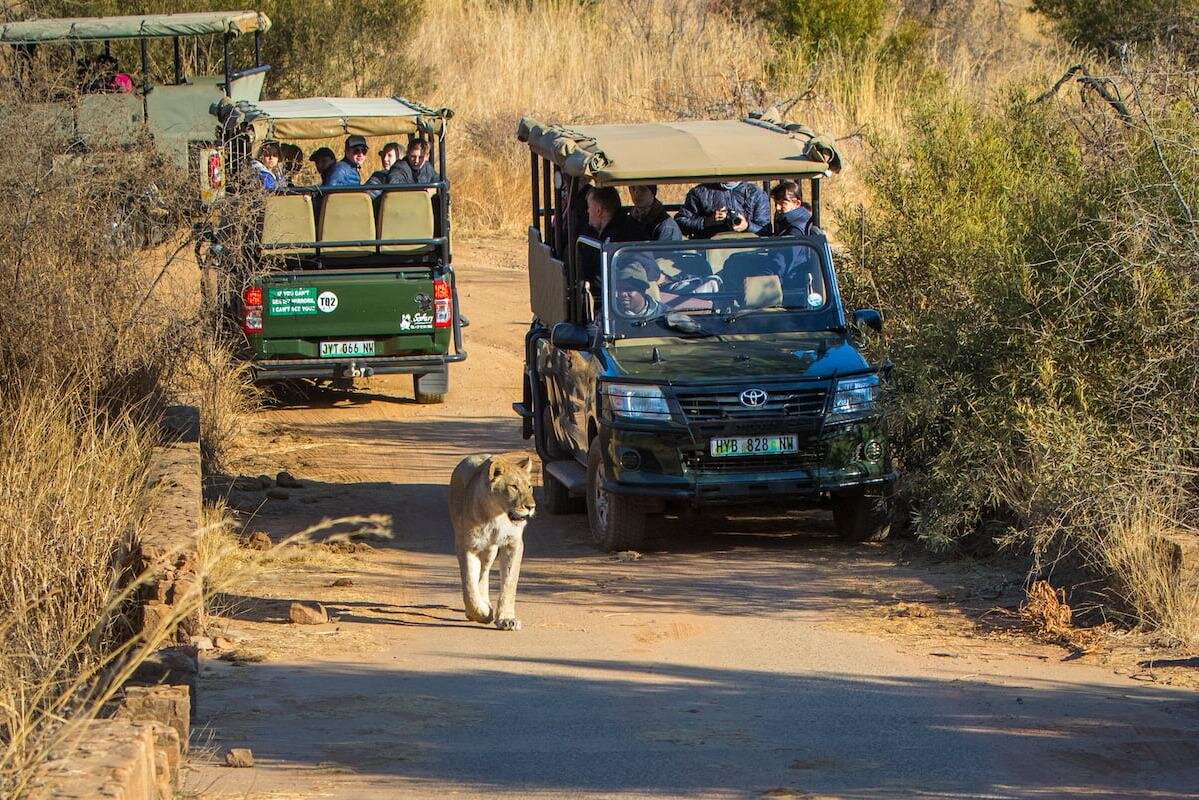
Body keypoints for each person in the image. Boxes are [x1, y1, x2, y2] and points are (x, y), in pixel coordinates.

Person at [675, 180, 770, 238]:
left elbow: (765, 231)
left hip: (749, 250)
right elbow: (680, 222)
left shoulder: (755, 193)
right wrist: (706, 222)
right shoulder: (700, 192)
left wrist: (747, 226)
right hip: (710, 250)